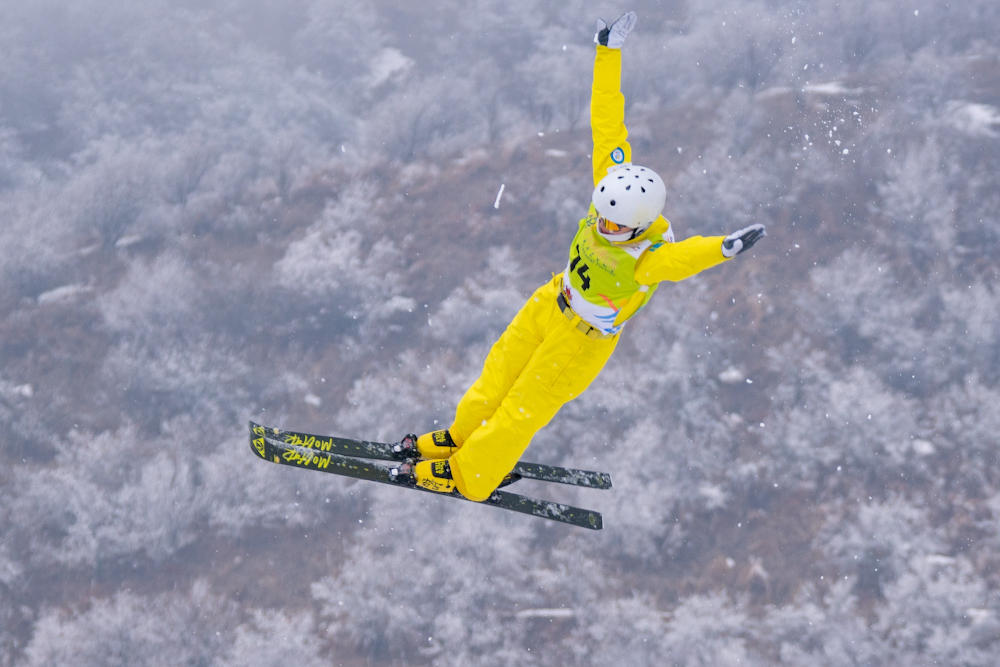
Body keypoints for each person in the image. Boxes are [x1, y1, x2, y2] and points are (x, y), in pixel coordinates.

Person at [407, 12, 766, 501]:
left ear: (638, 225)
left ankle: (472, 475)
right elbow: (607, 120)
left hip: (581, 340)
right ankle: (460, 439)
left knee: (522, 407)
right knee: (496, 376)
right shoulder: (611, 191)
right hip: (551, 301)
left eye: (616, 225)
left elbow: (684, 259)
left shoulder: (647, 255)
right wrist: (607, 50)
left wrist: (723, 249)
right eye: (602, 216)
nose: (604, 226)